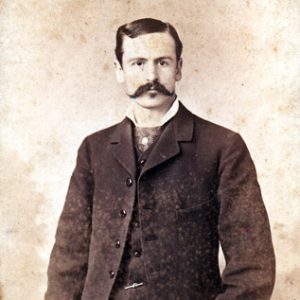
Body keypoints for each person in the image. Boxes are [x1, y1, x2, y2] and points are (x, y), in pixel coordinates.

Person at [45, 18, 275, 300]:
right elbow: (68, 257)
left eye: (163, 62)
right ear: (119, 70)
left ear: (178, 68)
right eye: (138, 63)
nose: (151, 75)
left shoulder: (223, 147)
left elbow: (253, 267)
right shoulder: (95, 149)